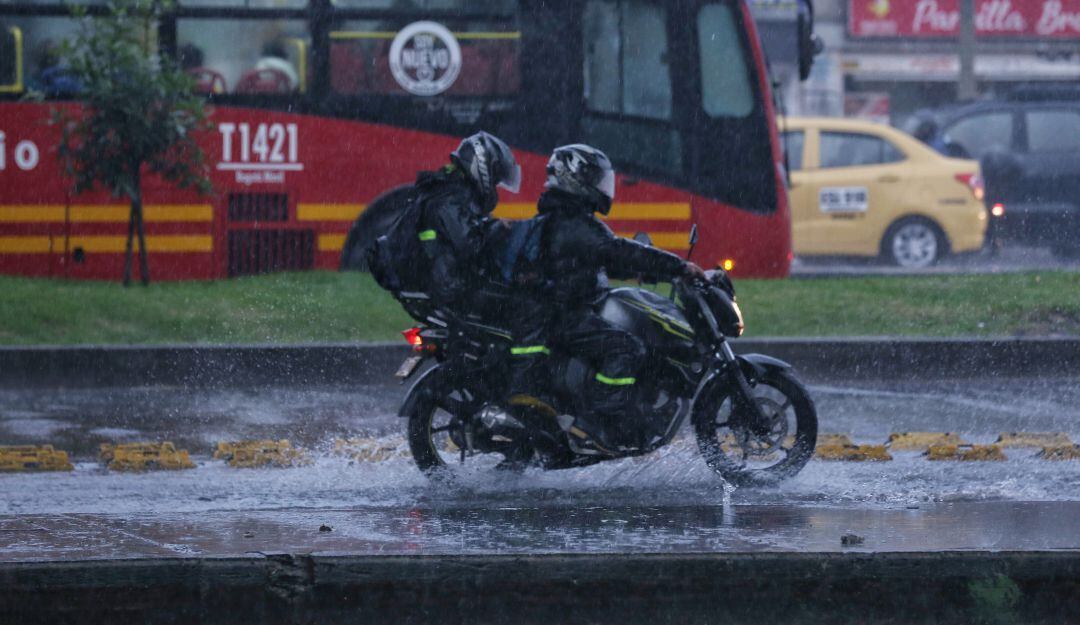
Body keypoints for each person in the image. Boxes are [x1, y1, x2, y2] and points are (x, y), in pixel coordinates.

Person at [535, 144, 704, 453]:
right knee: (626, 348)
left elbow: (605, 260)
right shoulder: (572, 223)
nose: (603, 187)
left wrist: (650, 273)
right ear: (573, 179)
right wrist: (677, 266)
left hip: (576, 305)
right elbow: (618, 250)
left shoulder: (570, 218)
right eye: (596, 179)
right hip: (566, 314)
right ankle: (599, 423)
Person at [414, 130, 521, 312]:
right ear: (481, 166)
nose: (494, 186)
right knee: (524, 303)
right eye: (495, 178)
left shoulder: (457, 193)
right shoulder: (450, 198)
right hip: (451, 286)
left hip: (451, 280)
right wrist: (497, 228)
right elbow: (468, 245)